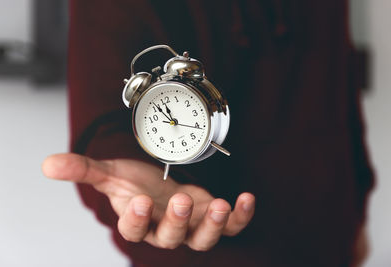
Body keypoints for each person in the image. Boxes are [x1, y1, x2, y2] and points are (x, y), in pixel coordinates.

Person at [42, 0, 374, 266]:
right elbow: (102, 118)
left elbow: (338, 86)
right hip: (198, 250)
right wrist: (129, 175)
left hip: (327, 240)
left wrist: (357, 200)